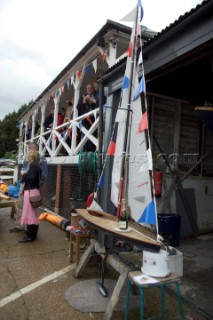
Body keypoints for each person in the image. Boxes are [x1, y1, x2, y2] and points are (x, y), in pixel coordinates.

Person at [9, 142, 48, 233]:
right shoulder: (28, 158)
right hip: (24, 185)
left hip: (33, 187)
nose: (28, 150)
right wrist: (22, 181)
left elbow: (44, 175)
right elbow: (24, 171)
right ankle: (19, 226)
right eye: (28, 148)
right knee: (20, 205)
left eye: (30, 148)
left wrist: (36, 185)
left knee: (31, 207)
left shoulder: (41, 159)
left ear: (36, 149)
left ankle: (29, 229)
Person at [18, 150, 41, 243]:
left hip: (30, 192)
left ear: (31, 158)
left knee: (29, 214)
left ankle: (30, 236)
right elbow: (34, 179)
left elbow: (31, 178)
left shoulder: (33, 166)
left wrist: (24, 174)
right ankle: (33, 235)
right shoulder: (38, 166)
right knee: (33, 214)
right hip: (35, 191)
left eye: (29, 157)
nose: (28, 158)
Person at [77, 83, 97, 152]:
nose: (89, 89)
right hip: (85, 120)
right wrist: (84, 101)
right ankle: (86, 152)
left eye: (90, 88)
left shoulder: (96, 95)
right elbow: (78, 107)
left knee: (93, 136)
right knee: (85, 137)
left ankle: (92, 151)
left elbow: (98, 104)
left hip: (94, 120)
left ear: (93, 89)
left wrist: (91, 100)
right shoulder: (83, 96)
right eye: (88, 88)